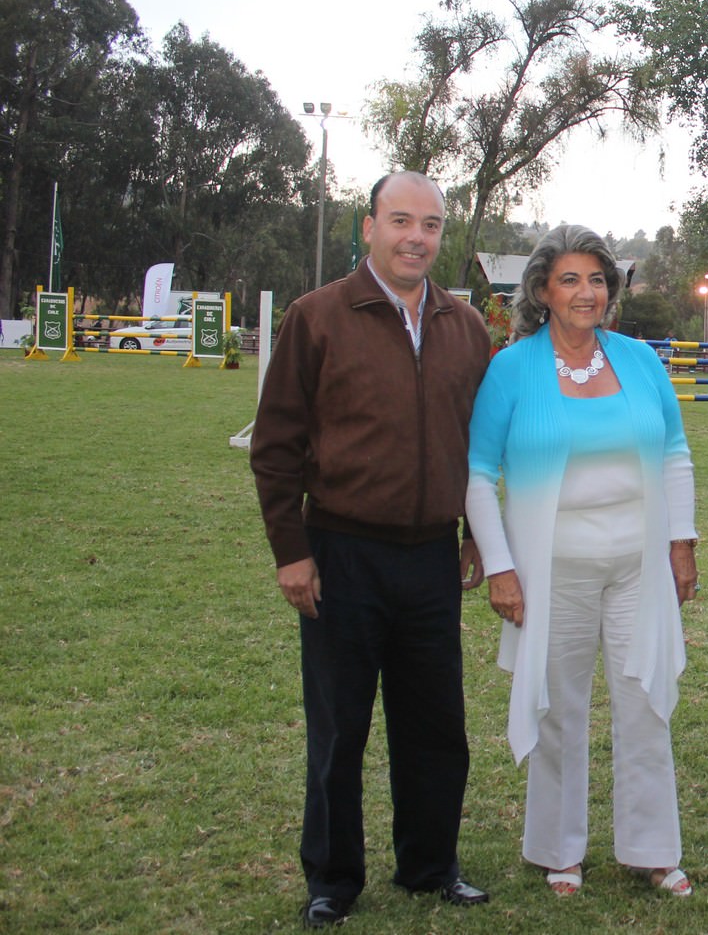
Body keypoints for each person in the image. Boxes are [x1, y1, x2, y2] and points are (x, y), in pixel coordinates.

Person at [250, 171, 493, 929]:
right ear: (368, 227)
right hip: (341, 551)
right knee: (339, 725)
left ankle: (430, 864)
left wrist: (477, 534)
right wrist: (292, 551)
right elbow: (275, 445)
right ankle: (332, 877)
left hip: (430, 560)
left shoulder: (465, 326)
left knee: (434, 726)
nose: (416, 237)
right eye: (400, 221)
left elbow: (478, 446)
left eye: (429, 224)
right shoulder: (318, 316)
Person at [464, 224, 699, 900]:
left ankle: (654, 850)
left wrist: (680, 544)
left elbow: (675, 453)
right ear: (541, 290)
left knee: (645, 702)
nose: (586, 292)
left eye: (597, 280)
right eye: (570, 279)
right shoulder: (512, 369)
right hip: (551, 570)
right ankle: (558, 850)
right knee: (558, 710)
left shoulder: (639, 360)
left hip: (636, 566)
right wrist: (502, 567)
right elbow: (479, 473)